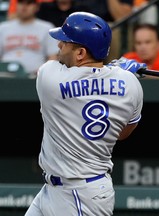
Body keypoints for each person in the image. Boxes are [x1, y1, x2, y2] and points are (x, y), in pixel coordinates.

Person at [24, 11, 146, 216]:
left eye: (64, 42)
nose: (59, 46)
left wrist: (113, 69)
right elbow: (123, 133)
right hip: (59, 190)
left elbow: (81, 75)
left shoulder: (49, 78)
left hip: (80, 195)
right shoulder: (131, 84)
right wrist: (120, 72)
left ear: (80, 53)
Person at [0, 0, 58, 78]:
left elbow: (53, 57)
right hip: (5, 75)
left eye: (29, 3)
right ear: (16, 5)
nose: (24, 7)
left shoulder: (47, 27)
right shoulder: (3, 28)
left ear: (37, 7)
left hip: (34, 77)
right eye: (20, 3)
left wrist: (44, 72)